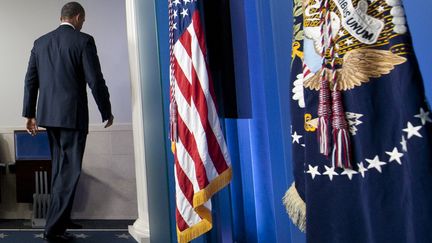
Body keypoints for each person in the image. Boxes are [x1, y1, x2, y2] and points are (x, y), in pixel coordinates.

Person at [22, 2, 114, 241]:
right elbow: (95, 79)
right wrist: (106, 110)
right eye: (82, 20)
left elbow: (30, 81)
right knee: (69, 171)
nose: (83, 24)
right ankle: (52, 230)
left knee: (60, 170)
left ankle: (61, 219)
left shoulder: (40, 42)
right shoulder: (83, 41)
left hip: (48, 116)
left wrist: (29, 114)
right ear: (77, 17)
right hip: (72, 117)